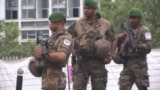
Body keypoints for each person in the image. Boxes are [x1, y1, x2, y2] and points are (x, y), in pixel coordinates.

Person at [67, 0, 117, 90]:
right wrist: (72, 50)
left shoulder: (105, 23)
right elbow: (67, 38)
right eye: (84, 8)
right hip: (81, 61)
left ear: (94, 9)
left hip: (98, 61)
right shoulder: (78, 23)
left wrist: (111, 55)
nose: (85, 10)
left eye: (88, 8)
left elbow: (114, 39)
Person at [28, 11, 72, 90]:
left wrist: (45, 55)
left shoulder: (65, 38)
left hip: (55, 78)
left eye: (51, 22)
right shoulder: (53, 37)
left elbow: (61, 56)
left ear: (57, 23)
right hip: (48, 76)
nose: (49, 24)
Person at [113, 8, 152, 90]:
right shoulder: (127, 31)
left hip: (140, 66)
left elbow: (148, 48)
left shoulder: (144, 30)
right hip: (127, 66)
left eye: (134, 18)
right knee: (123, 87)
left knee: (142, 87)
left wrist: (135, 44)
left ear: (139, 18)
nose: (131, 20)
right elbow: (121, 51)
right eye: (130, 18)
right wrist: (121, 40)